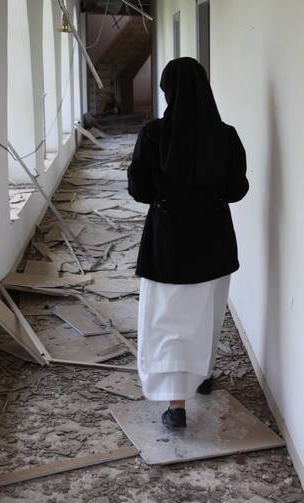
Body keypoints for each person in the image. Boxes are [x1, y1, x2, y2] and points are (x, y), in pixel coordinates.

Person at [127, 57, 249, 430]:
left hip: (168, 244)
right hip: (213, 243)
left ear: (168, 92)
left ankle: (176, 405)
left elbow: (139, 189)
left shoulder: (153, 135)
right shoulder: (225, 135)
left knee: (167, 323)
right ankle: (203, 375)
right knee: (206, 317)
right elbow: (236, 189)